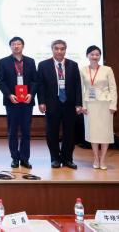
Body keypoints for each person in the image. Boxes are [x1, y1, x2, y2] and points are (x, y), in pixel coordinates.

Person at [37, 39, 83, 169]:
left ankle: (68, 159)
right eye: (56, 48)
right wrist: (41, 102)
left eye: (62, 49)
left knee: (70, 132)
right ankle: (55, 159)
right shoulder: (43, 65)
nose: (59, 51)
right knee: (52, 132)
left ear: (65, 50)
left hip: (69, 104)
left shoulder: (73, 65)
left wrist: (78, 103)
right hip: (52, 103)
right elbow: (40, 85)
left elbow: (78, 85)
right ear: (52, 50)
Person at [0, 36, 37, 169]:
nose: (16, 46)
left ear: (23, 46)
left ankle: (25, 159)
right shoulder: (3, 62)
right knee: (12, 131)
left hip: (27, 101)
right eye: (13, 44)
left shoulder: (30, 61)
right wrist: (9, 95)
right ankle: (15, 157)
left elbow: (35, 80)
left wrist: (31, 94)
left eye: (18, 44)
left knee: (26, 131)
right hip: (12, 101)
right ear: (10, 46)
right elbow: (0, 80)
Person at [80, 45, 117, 170]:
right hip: (90, 105)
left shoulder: (107, 69)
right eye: (92, 54)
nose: (95, 57)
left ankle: (103, 159)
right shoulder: (82, 70)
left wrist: (113, 104)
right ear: (87, 56)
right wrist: (82, 105)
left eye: (97, 54)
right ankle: (96, 158)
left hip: (105, 104)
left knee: (105, 132)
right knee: (93, 132)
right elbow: (81, 89)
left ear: (100, 56)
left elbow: (113, 88)